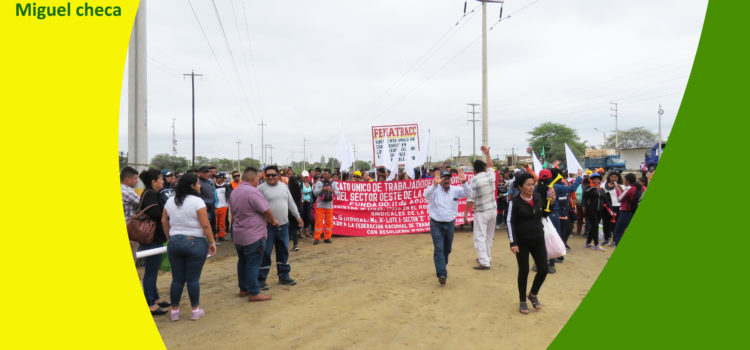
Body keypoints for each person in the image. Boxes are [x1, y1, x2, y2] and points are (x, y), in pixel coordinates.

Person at [161, 172, 217, 321]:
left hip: (175, 242)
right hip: (195, 242)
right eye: (197, 183)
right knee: (192, 279)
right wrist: (211, 241)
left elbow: (164, 221)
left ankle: (174, 312)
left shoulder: (171, 201)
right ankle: (195, 310)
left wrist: (169, 238)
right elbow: (205, 224)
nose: (199, 186)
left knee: (177, 279)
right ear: (192, 186)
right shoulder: (198, 202)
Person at [507, 172, 554, 314]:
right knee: (524, 270)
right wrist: (513, 242)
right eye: (528, 185)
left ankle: (533, 294)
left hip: (538, 239)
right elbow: (510, 222)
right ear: (520, 187)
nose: (531, 187)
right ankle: (522, 300)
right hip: (521, 242)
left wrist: (551, 203)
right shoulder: (514, 202)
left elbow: (544, 214)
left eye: (532, 184)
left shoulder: (538, 197)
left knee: (544, 269)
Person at [230, 167, 277, 302]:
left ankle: (244, 288)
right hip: (253, 234)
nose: (259, 181)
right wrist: (273, 221)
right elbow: (266, 210)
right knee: (253, 263)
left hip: (239, 233)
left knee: (243, 261)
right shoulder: (252, 192)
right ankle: (254, 292)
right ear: (252, 178)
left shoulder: (235, 191)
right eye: (258, 178)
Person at [258, 166, 303, 289]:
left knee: (283, 251)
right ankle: (261, 279)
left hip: (283, 225)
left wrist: (297, 216)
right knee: (265, 253)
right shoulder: (260, 189)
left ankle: (284, 276)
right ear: (265, 176)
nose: (271, 177)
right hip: (267, 227)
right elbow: (257, 208)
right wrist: (268, 219)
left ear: (278, 175)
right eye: (268, 175)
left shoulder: (284, 186)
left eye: (273, 175)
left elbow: (291, 203)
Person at [424, 169, 471, 285]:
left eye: (448, 178)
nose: (446, 180)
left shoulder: (456, 190)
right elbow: (426, 195)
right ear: (440, 179)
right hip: (436, 223)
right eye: (444, 178)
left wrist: (464, 182)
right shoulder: (434, 190)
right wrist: (435, 184)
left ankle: (441, 266)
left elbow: (469, 193)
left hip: (450, 223)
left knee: (447, 249)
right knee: (439, 247)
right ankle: (442, 273)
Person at [136, 169, 171, 315]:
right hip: (151, 238)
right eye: (161, 179)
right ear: (153, 182)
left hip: (154, 238)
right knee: (150, 271)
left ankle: (154, 297)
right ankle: (149, 302)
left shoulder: (151, 193)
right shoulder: (150, 194)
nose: (163, 181)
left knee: (153, 270)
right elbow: (156, 214)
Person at [464, 145, 496, 270]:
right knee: (488, 236)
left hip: (481, 212)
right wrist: (487, 154)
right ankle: (486, 257)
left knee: (479, 237)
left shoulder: (474, 181)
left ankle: (484, 262)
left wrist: (466, 213)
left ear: (474, 170)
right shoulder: (490, 175)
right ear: (484, 168)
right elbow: (491, 166)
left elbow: (470, 200)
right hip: (493, 210)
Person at [612, 173, 644, 246]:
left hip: (625, 212)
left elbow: (619, 198)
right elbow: (627, 197)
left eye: (625, 179)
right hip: (631, 212)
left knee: (617, 232)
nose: (624, 181)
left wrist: (617, 190)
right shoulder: (636, 188)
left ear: (628, 181)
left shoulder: (629, 188)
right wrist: (622, 189)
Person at [313, 169, 339, 244]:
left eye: (326, 174)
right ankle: (316, 238)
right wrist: (321, 189)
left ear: (330, 175)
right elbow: (314, 193)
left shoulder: (334, 183)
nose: (324, 175)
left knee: (328, 223)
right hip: (320, 206)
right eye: (324, 174)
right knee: (318, 223)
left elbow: (338, 193)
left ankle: (327, 237)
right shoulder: (319, 182)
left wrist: (333, 191)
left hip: (329, 206)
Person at [121, 166, 141, 262]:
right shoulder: (128, 192)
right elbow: (143, 205)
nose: (137, 181)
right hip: (129, 233)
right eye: (135, 178)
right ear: (128, 179)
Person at [583, 172, 606, 251]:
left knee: (594, 226)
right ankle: (596, 244)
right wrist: (584, 206)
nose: (596, 180)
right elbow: (585, 195)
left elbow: (604, 197)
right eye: (594, 179)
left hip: (600, 209)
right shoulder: (588, 187)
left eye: (598, 179)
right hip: (591, 209)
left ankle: (588, 242)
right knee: (595, 225)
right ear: (591, 180)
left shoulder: (602, 188)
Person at [601, 172, 624, 247]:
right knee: (606, 224)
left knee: (616, 224)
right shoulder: (603, 185)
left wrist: (619, 190)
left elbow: (622, 197)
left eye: (615, 177)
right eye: (612, 176)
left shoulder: (621, 186)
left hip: (617, 207)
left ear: (618, 178)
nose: (613, 178)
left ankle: (615, 240)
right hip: (606, 207)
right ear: (609, 177)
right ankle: (606, 239)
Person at [197, 166, 218, 245]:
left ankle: (212, 241)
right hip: (204, 207)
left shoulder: (208, 181)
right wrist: (203, 204)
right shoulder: (198, 182)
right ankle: (205, 242)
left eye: (207, 172)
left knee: (212, 224)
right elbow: (198, 195)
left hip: (212, 206)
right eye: (204, 172)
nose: (206, 174)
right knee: (205, 225)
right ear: (199, 173)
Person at [214, 173, 232, 242]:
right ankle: (215, 236)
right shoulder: (213, 186)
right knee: (215, 223)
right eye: (216, 178)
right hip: (215, 207)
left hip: (224, 207)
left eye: (217, 177)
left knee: (222, 223)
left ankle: (222, 235)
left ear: (222, 178)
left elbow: (230, 195)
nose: (216, 179)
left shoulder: (227, 186)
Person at [300, 171, 314, 238]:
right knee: (301, 216)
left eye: (307, 176)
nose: (306, 178)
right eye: (304, 176)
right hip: (302, 203)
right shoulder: (300, 184)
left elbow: (311, 193)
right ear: (302, 176)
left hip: (308, 202)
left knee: (307, 217)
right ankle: (300, 232)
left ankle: (306, 231)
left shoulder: (310, 184)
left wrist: (312, 202)